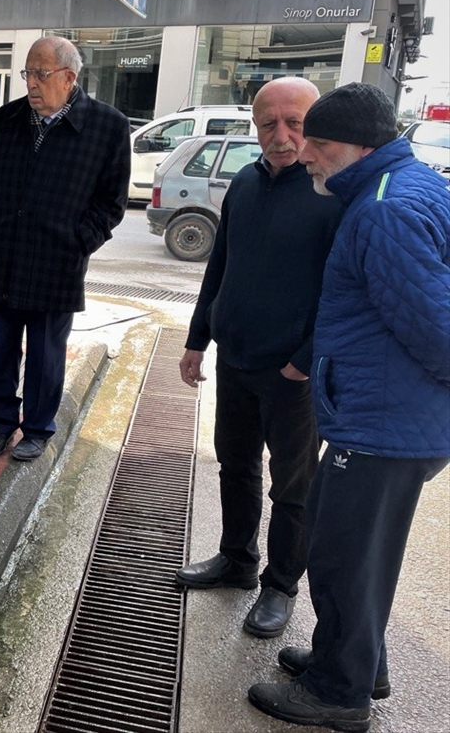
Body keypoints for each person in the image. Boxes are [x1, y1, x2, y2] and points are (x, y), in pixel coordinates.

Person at [247, 83, 450, 732]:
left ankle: (339, 693)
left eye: (320, 143)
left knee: (341, 559)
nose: (306, 154)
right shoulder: (405, 187)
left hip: (383, 424)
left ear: (362, 146)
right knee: (363, 558)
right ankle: (359, 663)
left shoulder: (384, 210)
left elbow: (439, 333)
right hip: (390, 417)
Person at [175, 77, 342, 639]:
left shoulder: (331, 193)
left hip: (293, 372)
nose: (282, 135)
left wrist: (305, 358)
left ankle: (281, 586)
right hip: (236, 358)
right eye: (269, 124)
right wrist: (198, 338)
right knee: (235, 465)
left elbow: (342, 291)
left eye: (295, 123)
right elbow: (219, 266)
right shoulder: (244, 183)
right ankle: (237, 560)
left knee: (293, 486)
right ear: (254, 126)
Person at [0, 36, 129, 461]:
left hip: (56, 263)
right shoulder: (6, 119)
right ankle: (0, 424)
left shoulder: (108, 126)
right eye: (28, 73)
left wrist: (78, 242)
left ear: (69, 77)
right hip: (3, 256)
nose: (32, 83)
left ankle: (37, 429)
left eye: (41, 74)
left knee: (45, 355)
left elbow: (111, 203)